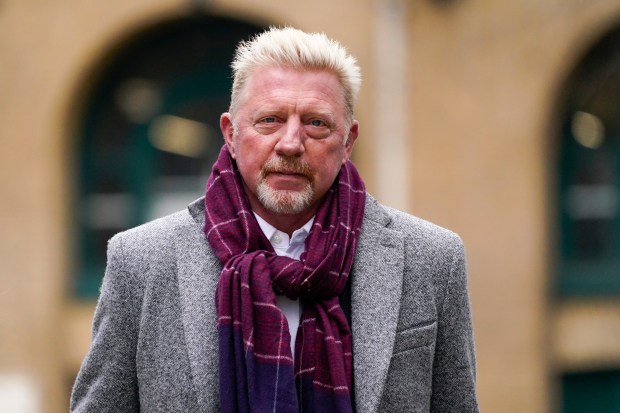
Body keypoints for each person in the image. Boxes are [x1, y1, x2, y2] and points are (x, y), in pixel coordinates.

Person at [71, 27, 479, 413]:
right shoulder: (141, 261)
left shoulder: (432, 260)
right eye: (270, 120)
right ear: (230, 134)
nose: (290, 144)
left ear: (348, 141)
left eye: (316, 123)